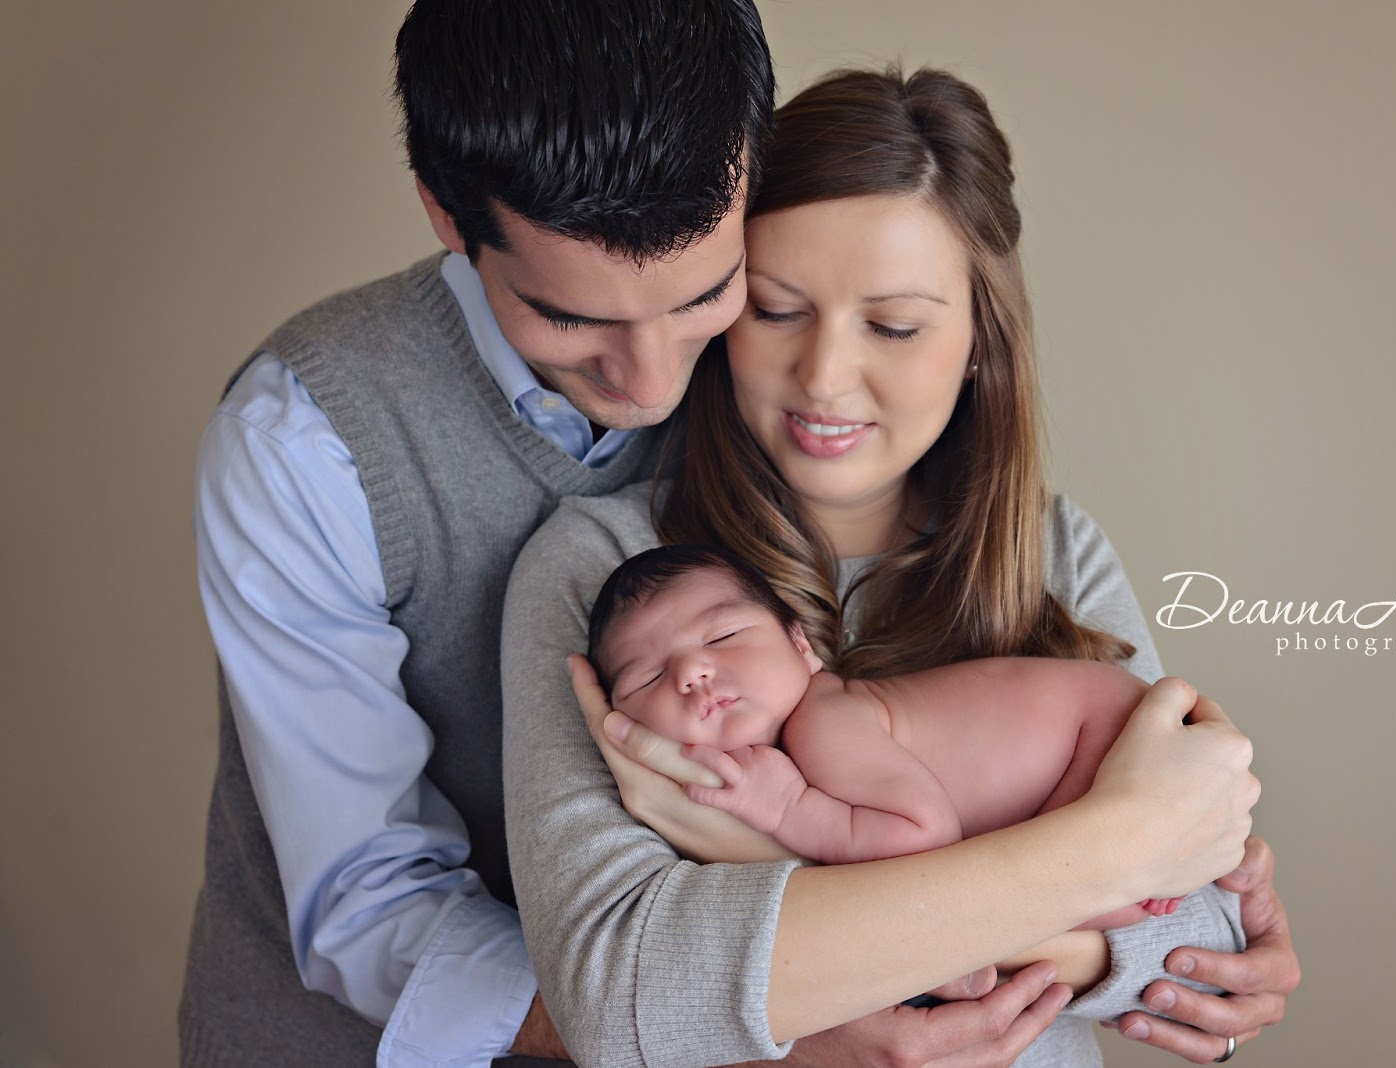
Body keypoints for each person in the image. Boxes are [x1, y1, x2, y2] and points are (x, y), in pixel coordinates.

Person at [501, 66, 1294, 1068]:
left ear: (978, 341)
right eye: (777, 310)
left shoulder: (1054, 555)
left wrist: (758, 862)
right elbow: (618, 991)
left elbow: (1202, 952)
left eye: (893, 326)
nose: (825, 375)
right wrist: (1103, 864)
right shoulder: (604, 571)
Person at [181, 3, 775, 1065]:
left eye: (704, 294)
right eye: (573, 318)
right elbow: (370, 906)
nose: (651, 382)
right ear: (446, 214)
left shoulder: (803, 353)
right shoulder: (300, 441)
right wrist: (766, 1021)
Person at [586, 541, 1188, 931]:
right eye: (648, 677)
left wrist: (789, 808)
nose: (692, 672)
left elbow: (924, 837)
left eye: (722, 638)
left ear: (799, 644)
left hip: (1105, 732)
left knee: (1057, 899)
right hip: (1114, 728)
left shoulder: (822, 722)